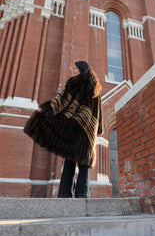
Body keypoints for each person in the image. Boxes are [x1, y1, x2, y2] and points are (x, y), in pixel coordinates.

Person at [24, 61, 103, 198]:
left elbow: (63, 100)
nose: (74, 71)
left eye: (76, 68)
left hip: (75, 125)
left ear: (81, 70)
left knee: (69, 160)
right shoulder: (95, 87)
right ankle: (82, 193)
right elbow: (98, 111)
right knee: (84, 161)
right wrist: (98, 129)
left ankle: (65, 193)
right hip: (88, 129)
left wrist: (45, 108)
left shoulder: (75, 82)